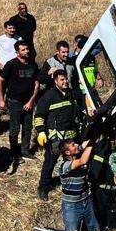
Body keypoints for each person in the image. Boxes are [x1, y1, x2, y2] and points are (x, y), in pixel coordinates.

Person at [34, 70, 78, 200]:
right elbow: (39, 116)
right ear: (55, 81)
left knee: (71, 162)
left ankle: (69, 183)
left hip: (70, 136)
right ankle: (43, 187)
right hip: (55, 138)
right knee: (49, 163)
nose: (65, 82)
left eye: (66, 79)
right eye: (61, 80)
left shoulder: (71, 94)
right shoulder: (48, 96)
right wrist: (41, 131)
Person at [57, 139, 102, 231]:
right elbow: (83, 160)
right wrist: (92, 143)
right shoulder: (65, 166)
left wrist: (93, 134)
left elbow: (83, 145)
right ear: (67, 153)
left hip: (86, 200)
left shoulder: (76, 152)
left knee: (94, 229)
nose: (76, 145)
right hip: (71, 206)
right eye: (73, 145)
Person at [0, 41, 39, 164]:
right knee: (15, 128)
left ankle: (25, 151)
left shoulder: (33, 64)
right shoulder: (11, 65)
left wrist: (31, 101)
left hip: (29, 102)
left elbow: (36, 84)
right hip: (15, 102)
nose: (26, 51)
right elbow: (0, 81)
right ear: (17, 52)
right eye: (23, 50)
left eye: (27, 49)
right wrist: (1, 99)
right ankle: (14, 153)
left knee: (27, 127)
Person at [0, 20, 22, 117]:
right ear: (5, 29)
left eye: (14, 28)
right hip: (4, 68)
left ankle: (9, 107)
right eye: (10, 28)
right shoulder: (1, 39)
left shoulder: (19, 38)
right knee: (1, 88)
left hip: (15, 68)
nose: (12, 30)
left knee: (13, 88)